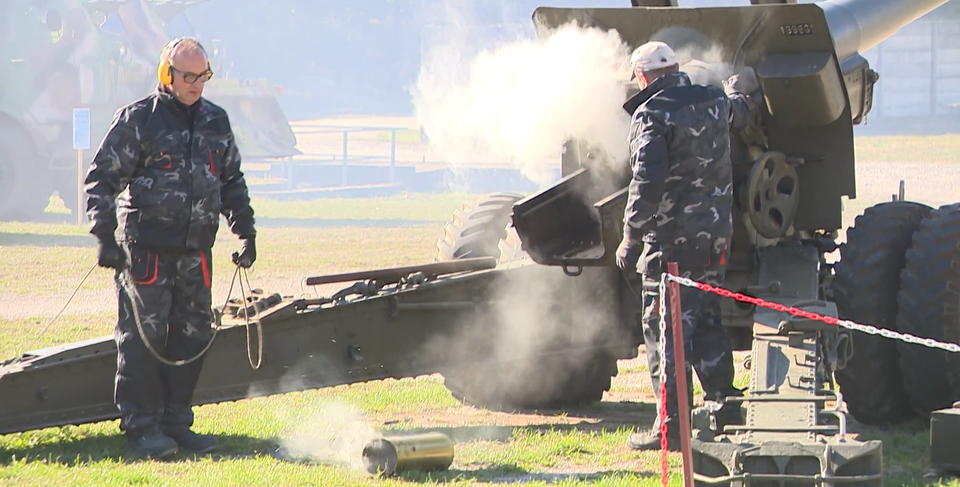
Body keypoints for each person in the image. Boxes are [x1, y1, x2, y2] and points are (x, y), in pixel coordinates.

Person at [84, 37, 257, 459]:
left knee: (192, 337)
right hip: (145, 251)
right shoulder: (139, 120)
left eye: (203, 76)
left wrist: (245, 230)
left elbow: (231, 181)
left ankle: (178, 423)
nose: (197, 83)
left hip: (196, 252)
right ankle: (143, 427)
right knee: (143, 342)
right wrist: (105, 237)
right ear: (167, 75)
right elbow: (101, 180)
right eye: (188, 76)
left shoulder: (216, 121)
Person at [615, 41, 756, 451]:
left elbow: (646, 183)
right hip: (716, 236)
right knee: (707, 316)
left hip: (671, 243)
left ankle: (671, 427)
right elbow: (740, 111)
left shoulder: (651, 114)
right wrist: (735, 89)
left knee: (665, 328)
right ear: (675, 68)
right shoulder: (713, 101)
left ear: (642, 77)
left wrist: (630, 238)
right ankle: (724, 406)